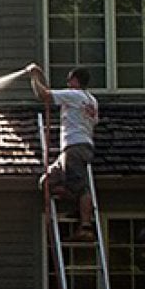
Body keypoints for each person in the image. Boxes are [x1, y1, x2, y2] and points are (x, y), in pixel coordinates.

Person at [27, 63, 99, 241]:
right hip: (76, 147)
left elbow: (43, 95)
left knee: (80, 188)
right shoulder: (92, 100)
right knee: (47, 182)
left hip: (75, 147)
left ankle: (85, 226)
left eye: (69, 79)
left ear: (75, 80)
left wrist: (34, 76)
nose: (67, 83)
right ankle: (76, 205)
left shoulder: (74, 95)